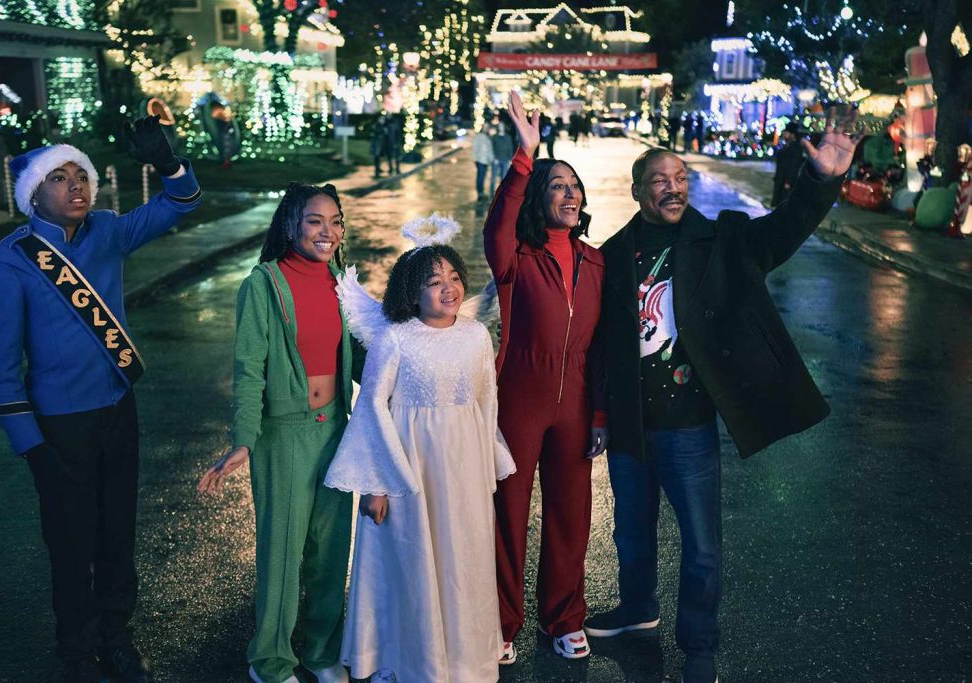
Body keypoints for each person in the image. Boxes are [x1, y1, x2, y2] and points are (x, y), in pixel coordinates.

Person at [586, 109, 862, 683]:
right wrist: (599, 413)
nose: (673, 188)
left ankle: (700, 645)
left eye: (680, 178)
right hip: (632, 423)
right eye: (659, 180)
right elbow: (599, 344)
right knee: (630, 532)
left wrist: (822, 180)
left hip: (688, 423)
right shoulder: (611, 256)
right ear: (637, 191)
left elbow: (783, 230)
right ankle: (637, 610)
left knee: (701, 543)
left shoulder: (723, 240)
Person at [0, 116, 201, 683]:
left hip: (117, 413)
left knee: (117, 534)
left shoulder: (107, 231)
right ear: (33, 195)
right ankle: (77, 652)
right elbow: (0, 371)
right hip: (59, 426)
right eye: (58, 178)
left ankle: (117, 638)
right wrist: (33, 448)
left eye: (81, 175)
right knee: (71, 541)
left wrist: (167, 161)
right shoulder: (9, 261)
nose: (75, 185)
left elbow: (182, 202)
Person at [325, 224, 516, 682]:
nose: (448, 288)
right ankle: (407, 658)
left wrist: (486, 462)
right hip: (408, 468)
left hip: (463, 467)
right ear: (412, 293)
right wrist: (377, 483)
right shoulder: (395, 338)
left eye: (454, 277)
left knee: (461, 559)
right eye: (434, 281)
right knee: (411, 560)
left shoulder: (476, 335)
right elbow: (372, 405)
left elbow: (486, 399)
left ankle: (463, 659)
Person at [197, 183, 364, 683]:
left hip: (335, 429)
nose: (328, 231)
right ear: (291, 226)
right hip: (284, 434)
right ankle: (269, 661)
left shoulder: (341, 283)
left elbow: (365, 355)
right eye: (315, 221)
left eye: (335, 221)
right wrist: (243, 440)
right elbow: (249, 368)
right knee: (283, 554)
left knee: (330, 553)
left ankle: (322, 652)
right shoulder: (263, 285)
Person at [485, 90, 608, 664]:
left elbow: (604, 346)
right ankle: (501, 622)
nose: (570, 194)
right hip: (520, 395)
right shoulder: (516, 256)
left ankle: (564, 617)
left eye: (574, 186)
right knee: (507, 514)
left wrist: (600, 411)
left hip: (577, 400)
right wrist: (525, 156)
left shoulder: (596, 260)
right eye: (557, 186)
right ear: (539, 196)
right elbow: (499, 226)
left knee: (570, 515)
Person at [772, 122, 806, 206]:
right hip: (780, 180)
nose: (784, 134)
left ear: (792, 135)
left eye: (787, 132)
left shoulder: (795, 148)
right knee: (779, 205)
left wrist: (789, 182)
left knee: (784, 204)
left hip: (786, 183)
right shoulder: (787, 146)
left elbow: (794, 166)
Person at [489, 120, 514, 193]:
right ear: (498, 127)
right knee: (493, 177)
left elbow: (510, 148)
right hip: (496, 160)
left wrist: (510, 159)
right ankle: (491, 193)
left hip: (505, 160)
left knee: (503, 178)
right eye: (499, 126)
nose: (501, 127)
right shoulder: (495, 137)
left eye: (502, 126)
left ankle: (501, 193)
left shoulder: (508, 137)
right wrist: (494, 158)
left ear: (504, 127)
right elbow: (492, 148)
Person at [473, 124, 494, 200]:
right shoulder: (478, 136)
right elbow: (475, 148)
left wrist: (491, 159)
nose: (486, 129)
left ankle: (481, 192)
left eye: (487, 128)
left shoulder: (488, 137)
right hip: (480, 160)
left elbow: (490, 149)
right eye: (485, 128)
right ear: (482, 128)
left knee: (483, 176)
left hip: (486, 161)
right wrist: (475, 159)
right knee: (480, 177)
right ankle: (480, 193)